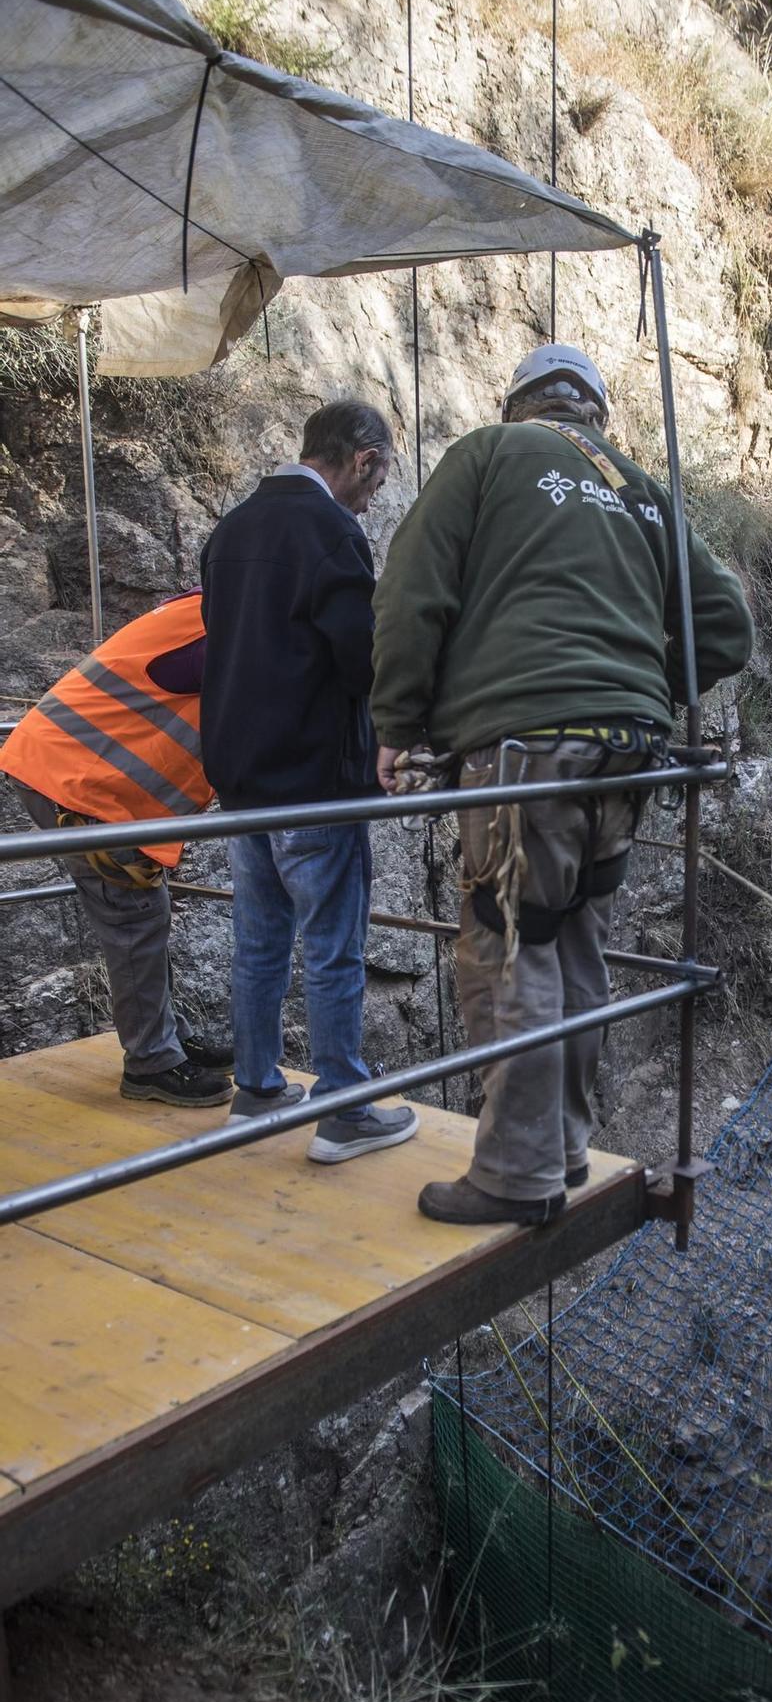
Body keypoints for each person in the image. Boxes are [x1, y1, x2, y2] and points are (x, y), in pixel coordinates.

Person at [371, 342, 753, 1226]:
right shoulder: (639, 489)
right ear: (595, 412)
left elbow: (410, 596)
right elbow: (725, 626)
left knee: (507, 945)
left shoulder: (487, 455)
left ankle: (513, 1174)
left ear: (519, 405)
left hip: (523, 748)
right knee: (573, 940)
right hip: (627, 751)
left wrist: (397, 725)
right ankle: (564, 1149)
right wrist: (638, 685)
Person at [199, 399, 418, 1164]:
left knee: (258, 942)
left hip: (240, 777)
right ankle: (343, 1106)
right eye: (379, 476)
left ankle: (256, 1088)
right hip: (313, 777)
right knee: (332, 946)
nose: (375, 494)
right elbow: (360, 661)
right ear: (362, 458)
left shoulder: (232, 529)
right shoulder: (331, 532)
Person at [0, 591, 233, 1106]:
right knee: (132, 914)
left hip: (71, 769)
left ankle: (167, 1035)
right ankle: (152, 1061)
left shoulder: (208, 610)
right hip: (81, 781)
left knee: (143, 910)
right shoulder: (225, 630)